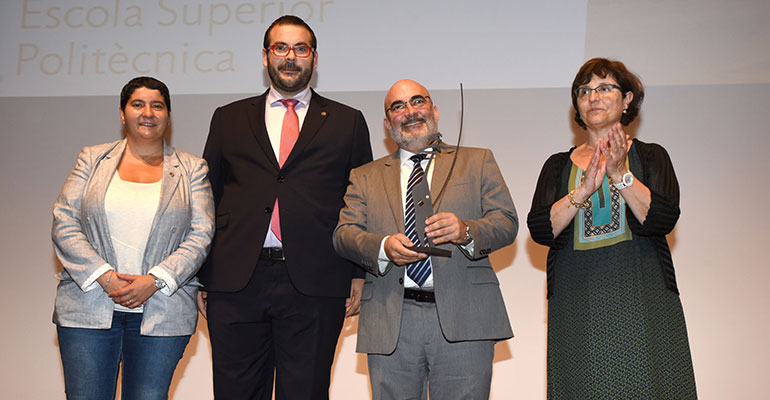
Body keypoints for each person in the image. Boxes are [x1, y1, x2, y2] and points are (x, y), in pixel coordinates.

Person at [197, 15, 373, 400]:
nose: (290, 57)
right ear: (265, 56)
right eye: (281, 48)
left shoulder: (348, 121)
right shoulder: (228, 118)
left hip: (317, 280)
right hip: (235, 281)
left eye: (300, 49)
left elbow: (361, 203)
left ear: (314, 57)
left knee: (306, 392)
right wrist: (203, 274)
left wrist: (360, 274)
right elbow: (208, 198)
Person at [333, 79, 517, 400]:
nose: (410, 112)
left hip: (467, 318)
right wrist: (383, 248)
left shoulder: (477, 160)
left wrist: (466, 230)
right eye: (398, 106)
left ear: (434, 110)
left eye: (418, 102)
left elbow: (506, 223)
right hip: (392, 320)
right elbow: (344, 235)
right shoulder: (364, 176)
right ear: (388, 123)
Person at [527, 58, 697, 398]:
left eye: (605, 88)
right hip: (575, 297)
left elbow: (662, 218)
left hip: (641, 291)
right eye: (584, 90)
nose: (593, 97)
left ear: (627, 99)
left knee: (649, 384)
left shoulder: (650, 156)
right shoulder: (558, 164)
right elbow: (541, 229)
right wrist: (583, 191)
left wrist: (620, 175)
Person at [51, 76, 215, 399]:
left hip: (163, 309)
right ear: (123, 113)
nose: (148, 113)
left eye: (157, 105)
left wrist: (155, 280)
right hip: (87, 308)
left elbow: (202, 233)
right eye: (137, 104)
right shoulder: (91, 158)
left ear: (168, 115)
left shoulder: (192, 169)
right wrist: (105, 277)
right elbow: (64, 221)